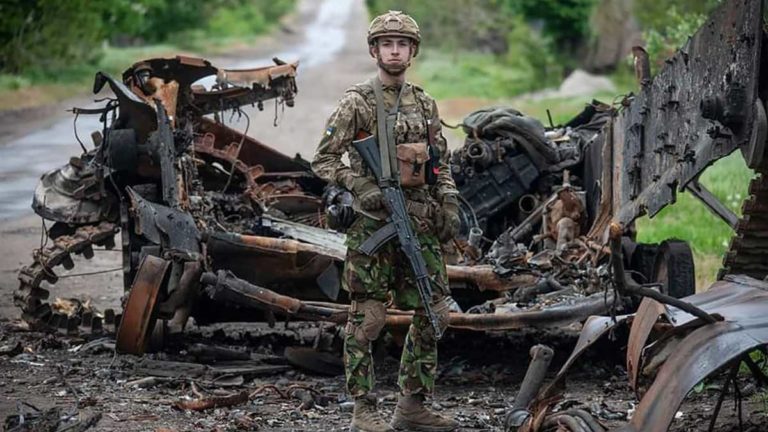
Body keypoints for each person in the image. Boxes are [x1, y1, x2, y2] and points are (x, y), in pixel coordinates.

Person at [311, 10, 460, 432]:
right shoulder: (357, 101)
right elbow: (323, 159)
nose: (395, 51)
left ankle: (412, 405)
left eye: (402, 44)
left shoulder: (425, 104)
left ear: (413, 52)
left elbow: (440, 164)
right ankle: (363, 409)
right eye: (387, 44)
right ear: (374, 51)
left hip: (419, 222)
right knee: (368, 317)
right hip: (372, 223)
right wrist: (359, 184)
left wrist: (448, 202)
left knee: (436, 312)